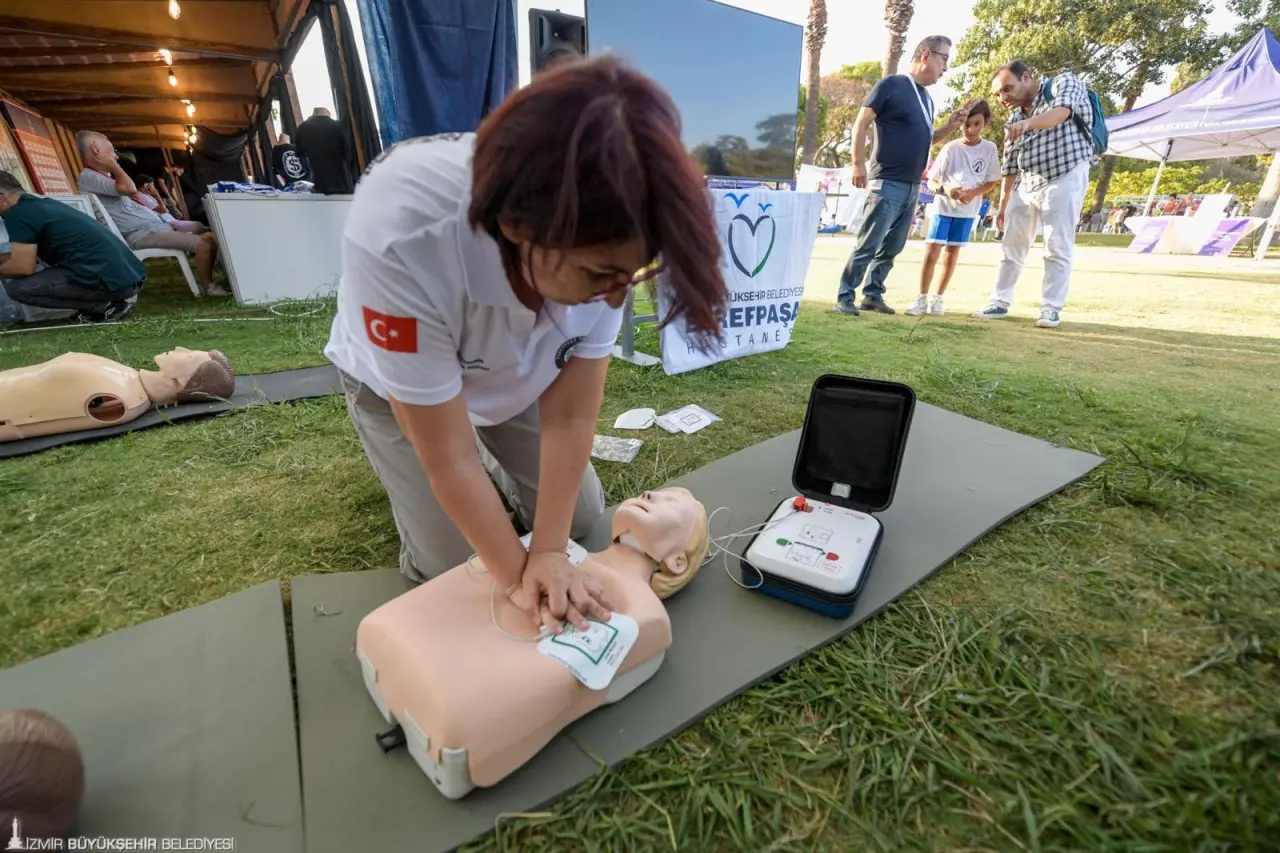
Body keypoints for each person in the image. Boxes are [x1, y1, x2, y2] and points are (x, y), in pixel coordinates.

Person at [323, 55, 728, 634]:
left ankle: (495, 458)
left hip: (514, 379)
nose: (615, 299)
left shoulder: (608, 241)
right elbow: (449, 456)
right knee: (450, 566)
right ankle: (427, 469)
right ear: (518, 227)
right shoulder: (400, 231)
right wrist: (520, 578)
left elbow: (570, 415)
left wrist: (549, 554)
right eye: (598, 275)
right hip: (395, 384)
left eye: (632, 275)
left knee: (582, 514)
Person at [835, 35, 975, 316]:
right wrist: (857, 164)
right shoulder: (891, 85)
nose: (946, 68)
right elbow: (862, 122)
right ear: (926, 55)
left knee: (894, 245)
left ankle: (873, 294)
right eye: (944, 59)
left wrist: (950, 126)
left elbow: (927, 140)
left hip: (912, 185)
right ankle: (845, 296)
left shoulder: (926, 99)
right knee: (870, 241)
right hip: (886, 180)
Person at [972, 60, 1096, 328]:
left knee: (1056, 245)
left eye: (1008, 88)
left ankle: (1050, 308)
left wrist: (1027, 125)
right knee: (1011, 246)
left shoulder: (1064, 83)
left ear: (1026, 77)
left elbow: (1061, 113)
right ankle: (999, 302)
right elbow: (1009, 164)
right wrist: (1003, 205)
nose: (1004, 97)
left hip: (1066, 173)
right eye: (999, 94)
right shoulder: (1015, 117)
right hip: (1027, 183)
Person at [74, 131, 227, 296]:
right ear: (96, 150)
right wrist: (114, 166)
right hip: (142, 233)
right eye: (111, 151)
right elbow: (129, 188)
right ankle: (209, 287)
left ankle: (228, 277)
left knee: (212, 234)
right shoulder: (89, 177)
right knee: (206, 242)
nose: (116, 156)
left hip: (154, 227)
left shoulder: (100, 176)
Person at [0, 169, 145, 322]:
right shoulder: (40, 205)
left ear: (1, 199)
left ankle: (105, 306)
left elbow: (23, 266)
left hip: (111, 282)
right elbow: (24, 256)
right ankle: (103, 305)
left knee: (18, 289)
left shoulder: (17, 215)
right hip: (128, 276)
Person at [908, 100, 1001, 316]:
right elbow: (931, 180)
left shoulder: (989, 149)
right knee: (932, 252)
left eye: (976, 124)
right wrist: (948, 190)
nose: (970, 130)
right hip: (943, 209)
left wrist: (973, 193)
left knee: (951, 254)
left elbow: (992, 180)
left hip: (967, 211)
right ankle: (921, 298)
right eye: (966, 125)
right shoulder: (951, 148)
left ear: (985, 123)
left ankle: (938, 299)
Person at [294, 108, 354, 195]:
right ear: (328, 113)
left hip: (320, 186)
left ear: (314, 113)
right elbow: (349, 153)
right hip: (344, 184)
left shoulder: (302, 128)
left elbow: (300, 154)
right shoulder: (338, 126)